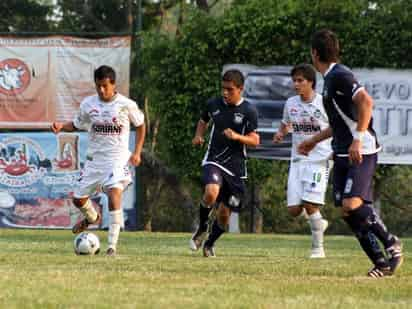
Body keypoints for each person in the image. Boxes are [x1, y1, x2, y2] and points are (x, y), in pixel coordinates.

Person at [299, 29, 403, 277]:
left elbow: (366, 102)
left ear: (315, 53)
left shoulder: (340, 75)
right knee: (347, 212)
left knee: (352, 203)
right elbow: (339, 123)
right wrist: (313, 140)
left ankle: (391, 242)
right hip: (342, 152)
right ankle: (380, 263)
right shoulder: (330, 80)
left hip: (362, 149)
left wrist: (357, 139)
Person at [51, 65, 145, 256]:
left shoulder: (126, 104)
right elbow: (76, 124)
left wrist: (137, 152)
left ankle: (112, 246)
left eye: (105, 86)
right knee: (78, 200)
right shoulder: (88, 104)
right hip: (94, 161)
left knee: (114, 194)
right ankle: (92, 218)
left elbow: (141, 125)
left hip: (117, 159)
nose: (101, 90)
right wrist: (61, 126)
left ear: (113, 84)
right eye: (98, 86)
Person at [189, 69, 259, 257]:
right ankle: (202, 228)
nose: (225, 93)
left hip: (236, 169)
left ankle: (209, 244)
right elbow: (203, 120)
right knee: (211, 192)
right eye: (223, 89)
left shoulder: (249, 111)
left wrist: (237, 136)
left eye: (230, 89)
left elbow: (255, 140)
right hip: (214, 160)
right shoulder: (214, 104)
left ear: (240, 89)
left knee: (224, 214)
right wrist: (198, 135)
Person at [273, 64, 331, 258]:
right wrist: (281, 133)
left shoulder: (324, 104)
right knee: (293, 210)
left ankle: (318, 248)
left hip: (319, 159)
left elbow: (336, 127)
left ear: (311, 83)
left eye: (300, 81)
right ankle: (318, 223)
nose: (296, 84)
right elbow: (285, 123)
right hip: (297, 160)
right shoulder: (291, 103)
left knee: (310, 204)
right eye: (294, 81)